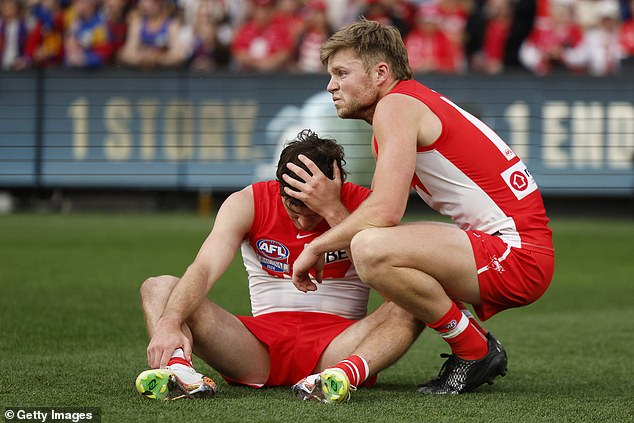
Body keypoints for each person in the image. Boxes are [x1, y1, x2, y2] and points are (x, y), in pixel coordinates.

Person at [287, 19, 555, 396]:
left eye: (341, 73)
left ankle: (474, 350)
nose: (331, 85)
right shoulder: (409, 101)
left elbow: (384, 212)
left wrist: (314, 246)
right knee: (381, 249)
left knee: (370, 248)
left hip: (516, 254)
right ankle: (474, 347)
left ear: (381, 73)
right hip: (516, 248)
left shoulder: (395, 106)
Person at [135, 129, 423, 402]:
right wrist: (170, 321)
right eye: (294, 210)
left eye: (313, 212)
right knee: (157, 287)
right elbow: (204, 269)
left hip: (339, 346)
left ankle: (340, 377)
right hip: (257, 348)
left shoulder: (368, 206)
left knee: (416, 298)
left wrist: (333, 212)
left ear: (337, 186)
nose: (304, 222)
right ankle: (179, 372)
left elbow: (398, 285)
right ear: (279, 187)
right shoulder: (247, 202)